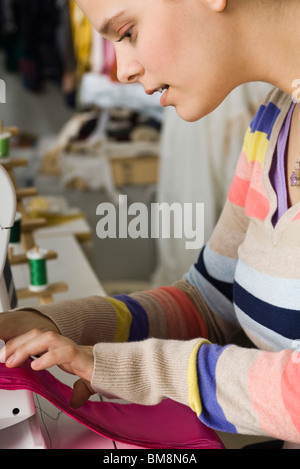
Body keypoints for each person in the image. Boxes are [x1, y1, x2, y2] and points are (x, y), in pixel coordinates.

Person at [1, 0, 300, 448]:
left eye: (128, 33)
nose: (121, 70)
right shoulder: (274, 120)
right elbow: (207, 300)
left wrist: (129, 368)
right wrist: (42, 326)